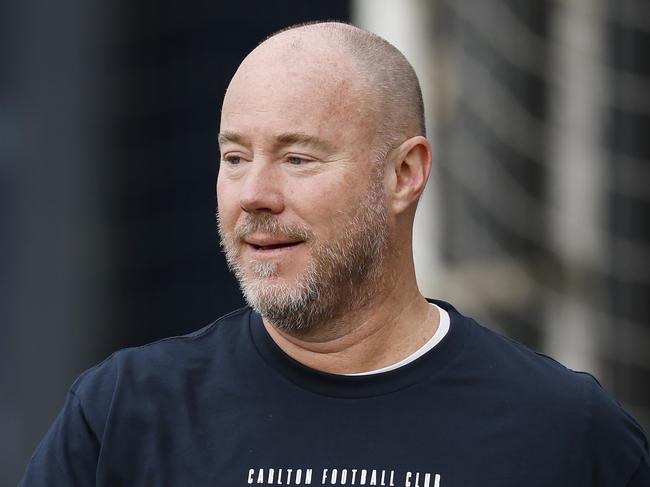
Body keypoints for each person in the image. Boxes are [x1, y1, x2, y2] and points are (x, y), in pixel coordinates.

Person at [20, 21, 649, 486]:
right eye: (234, 158)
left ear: (404, 174)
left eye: (298, 158)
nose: (255, 196)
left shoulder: (564, 431)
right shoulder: (125, 413)